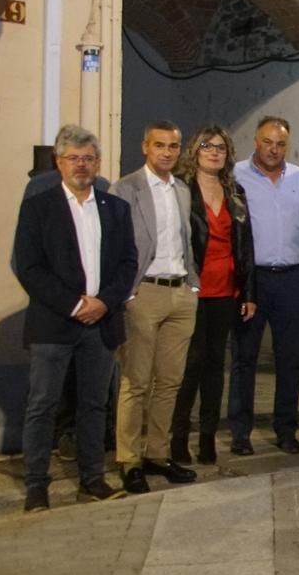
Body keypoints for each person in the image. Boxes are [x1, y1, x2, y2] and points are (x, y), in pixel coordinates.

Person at [14, 125, 138, 510]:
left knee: (94, 406)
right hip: (54, 324)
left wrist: (102, 302)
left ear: (97, 163)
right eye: (73, 158)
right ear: (58, 162)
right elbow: (29, 267)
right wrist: (74, 304)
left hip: (100, 324)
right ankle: (37, 485)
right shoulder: (38, 207)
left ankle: (92, 480)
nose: (81, 165)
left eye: (88, 158)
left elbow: (128, 262)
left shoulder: (115, 208)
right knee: (42, 405)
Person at [108, 121, 200, 494]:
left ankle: (157, 454)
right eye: (160, 145)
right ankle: (129, 459)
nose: (167, 152)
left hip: (180, 292)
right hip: (142, 293)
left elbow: (185, 239)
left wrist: (192, 284)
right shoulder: (126, 188)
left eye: (173, 146)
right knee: (136, 382)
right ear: (145, 147)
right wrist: (125, 294)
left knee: (170, 382)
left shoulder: (181, 189)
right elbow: (114, 245)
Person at [171, 127, 257, 467]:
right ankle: (179, 438)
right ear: (195, 151)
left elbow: (245, 244)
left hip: (225, 290)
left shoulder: (235, 191)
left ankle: (207, 438)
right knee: (189, 366)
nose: (214, 152)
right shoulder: (181, 189)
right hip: (191, 288)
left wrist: (248, 291)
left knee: (214, 367)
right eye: (206, 145)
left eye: (220, 147)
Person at [229, 117, 299, 457]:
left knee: (290, 360)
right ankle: (240, 432)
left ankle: (286, 430)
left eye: (280, 144)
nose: (273, 149)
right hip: (254, 279)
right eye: (267, 142)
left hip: (291, 278)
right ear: (256, 141)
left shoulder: (298, 177)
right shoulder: (236, 175)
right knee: (244, 358)